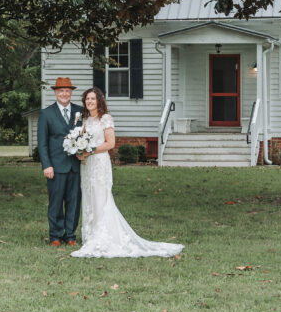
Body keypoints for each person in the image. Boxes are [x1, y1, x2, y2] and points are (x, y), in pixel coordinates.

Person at [70, 87, 183, 258]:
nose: (90, 102)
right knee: (89, 197)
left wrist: (90, 151)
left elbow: (110, 144)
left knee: (101, 198)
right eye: (87, 99)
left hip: (100, 164)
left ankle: (103, 237)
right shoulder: (86, 120)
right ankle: (91, 235)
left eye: (93, 99)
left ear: (99, 101)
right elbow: (83, 141)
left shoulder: (106, 119)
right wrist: (79, 151)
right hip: (87, 166)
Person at [36, 77, 83, 247]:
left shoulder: (80, 112)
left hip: (75, 165)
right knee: (55, 202)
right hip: (55, 166)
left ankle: (70, 235)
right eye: (61, 91)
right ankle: (55, 235)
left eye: (67, 91)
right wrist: (46, 165)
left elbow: (85, 136)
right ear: (55, 93)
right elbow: (42, 143)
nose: (64, 94)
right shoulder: (46, 113)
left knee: (74, 201)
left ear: (71, 93)